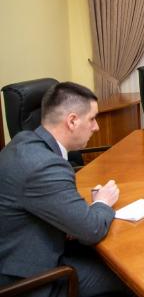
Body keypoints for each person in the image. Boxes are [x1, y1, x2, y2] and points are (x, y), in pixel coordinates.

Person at [0, 82, 133, 296]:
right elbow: (91, 230)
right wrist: (102, 202)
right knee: (128, 276)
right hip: (30, 279)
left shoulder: (23, 142)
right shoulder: (44, 165)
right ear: (72, 121)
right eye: (92, 119)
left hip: (24, 250)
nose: (96, 127)